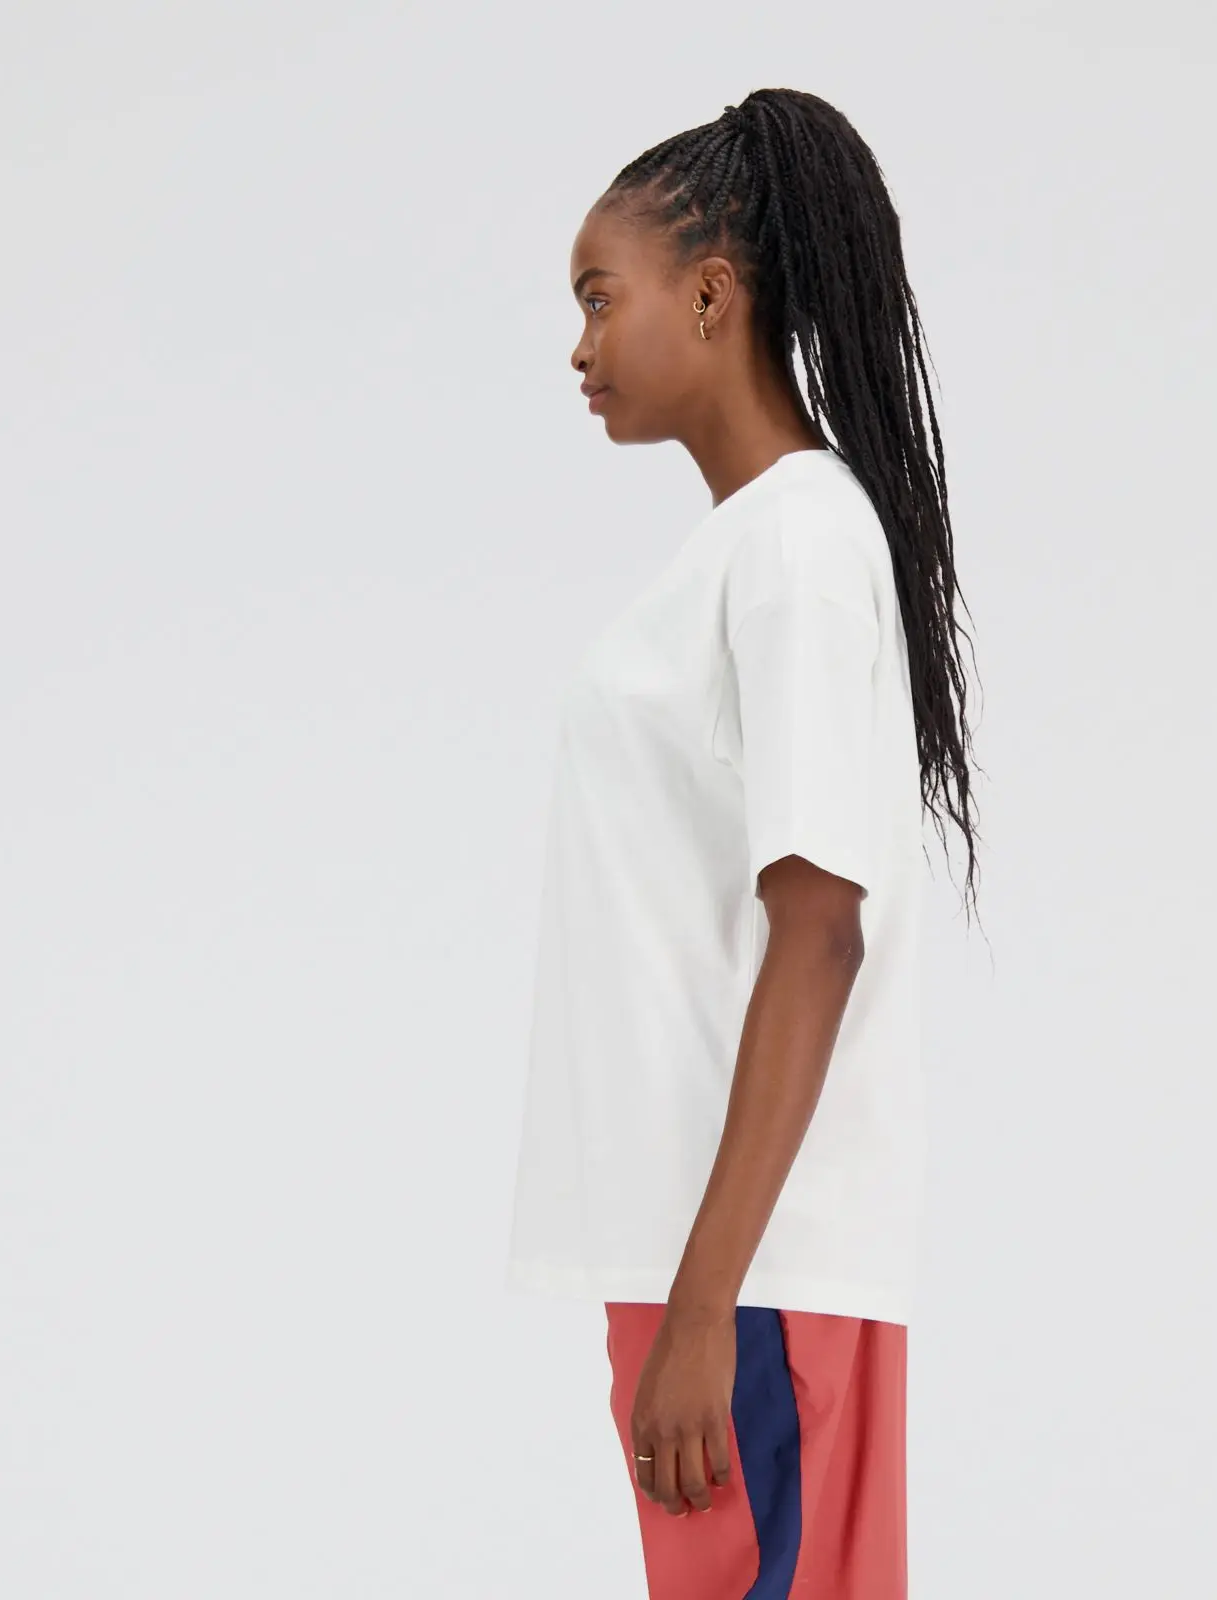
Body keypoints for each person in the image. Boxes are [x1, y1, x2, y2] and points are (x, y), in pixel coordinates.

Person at [506, 86, 982, 1599]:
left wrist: (709, 1303)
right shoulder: (753, 546)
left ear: (711, 296)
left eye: (600, 297)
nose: (579, 346)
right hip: (716, 1261)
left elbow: (822, 927)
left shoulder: (794, 545)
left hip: (754, 1274)